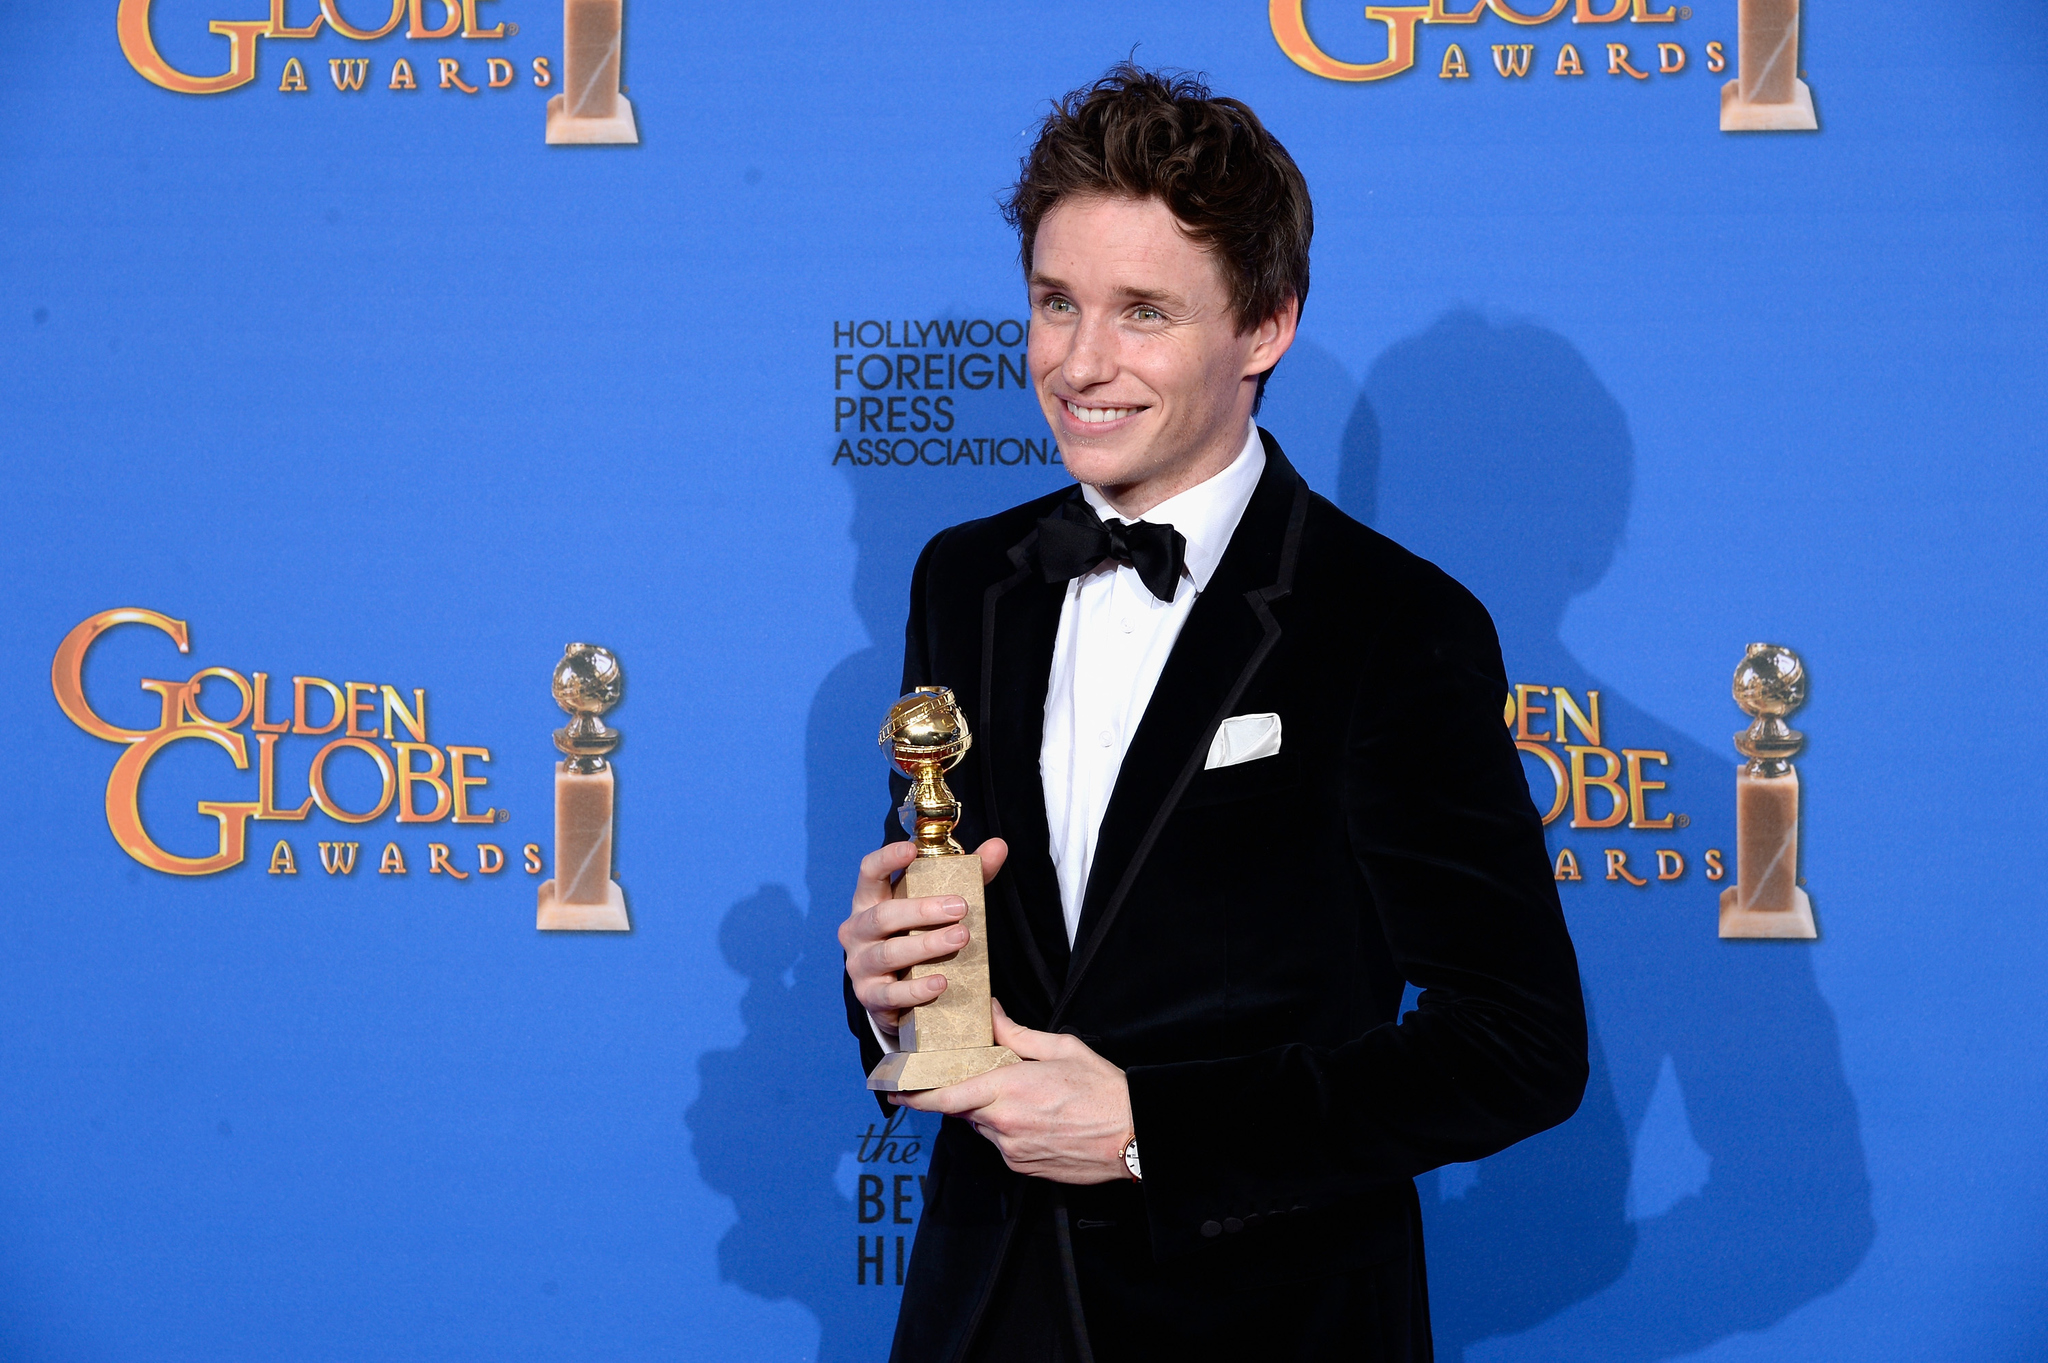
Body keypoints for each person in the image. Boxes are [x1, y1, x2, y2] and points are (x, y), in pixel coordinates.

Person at [838, 65, 1587, 1363]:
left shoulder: (1388, 624)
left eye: (1143, 315)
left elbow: (1516, 1045)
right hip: (982, 1308)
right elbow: (958, 952)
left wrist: (1149, 1130)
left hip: (1264, 1323)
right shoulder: (965, 580)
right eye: (1056, 304)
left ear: (1266, 325)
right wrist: (890, 992)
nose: (1080, 365)